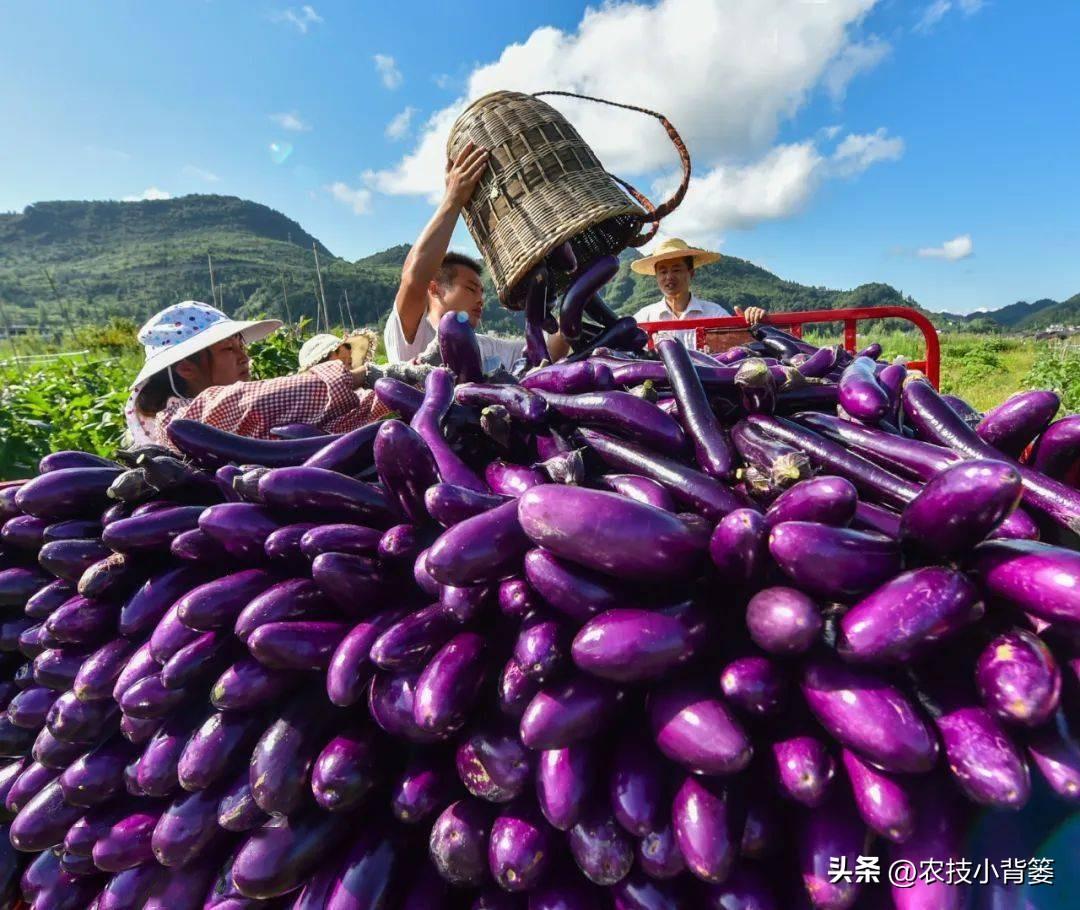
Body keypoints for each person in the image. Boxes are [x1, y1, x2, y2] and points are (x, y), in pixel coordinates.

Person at [385, 141, 568, 372]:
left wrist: (576, 298)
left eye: (482, 292)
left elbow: (546, 352)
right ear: (434, 289)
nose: (480, 300)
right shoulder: (414, 335)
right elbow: (413, 280)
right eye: (471, 289)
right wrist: (453, 200)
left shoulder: (486, 345)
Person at [125, 301, 391, 447]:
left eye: (242, 346)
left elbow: (340, 423)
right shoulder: (177, 422)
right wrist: (360, 375)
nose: (244, 356)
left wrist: (399, 384)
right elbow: (246, 401)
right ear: (186, 367)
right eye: (229, 349)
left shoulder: (232, 420)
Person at [630, 238, 767, 350]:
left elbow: (741, 346)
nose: (669, 277)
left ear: (691, 273)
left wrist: (751, 322)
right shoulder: (644, 317)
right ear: (657, 277)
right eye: (663, 272)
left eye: (676, 270)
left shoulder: (715, 314)